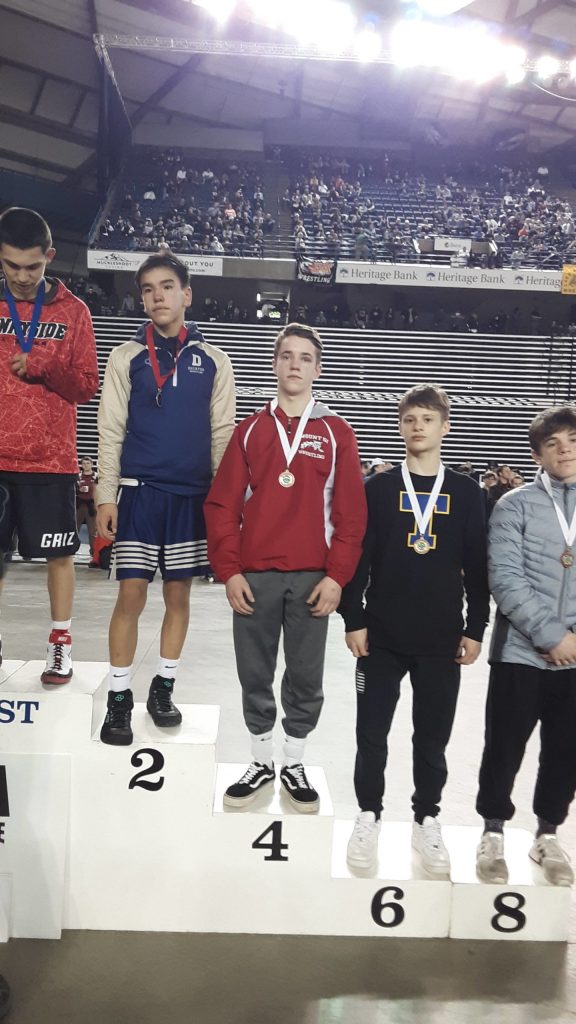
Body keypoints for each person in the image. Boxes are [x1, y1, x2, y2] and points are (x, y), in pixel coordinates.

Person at [205, 323, 367, 811]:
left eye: (305, 358)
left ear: (317, 369)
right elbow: (221, 506)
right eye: (287, 356)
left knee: (305, 675)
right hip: (253, 578)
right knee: (254, 672)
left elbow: (351, 514)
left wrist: (337, 576)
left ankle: (294, 759)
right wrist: (230, 570)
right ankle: (259, 759)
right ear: (275, 364)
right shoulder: (250, 430)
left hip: (312, 579)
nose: (295, 365)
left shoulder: (336, 432)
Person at [340, 384, 489, 870]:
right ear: (400, 426)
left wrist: (476, 628)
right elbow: (359, 558)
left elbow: (478, 566)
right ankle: (368, 816)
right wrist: (353, 618)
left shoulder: (466, 493)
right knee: (371, 733)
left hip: (441, 639)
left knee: (432, 737)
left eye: (427, 418)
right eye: (409, 419)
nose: (418, 426)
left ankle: (427, 819)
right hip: (381, 635)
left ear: (445, 426)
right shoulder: (380, 489)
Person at [96, 252, 235, 745]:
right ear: (142, 297)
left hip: (192, 499)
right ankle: (118, 698)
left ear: (187, 294)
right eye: (149, 288)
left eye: (168, 286)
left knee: (179, 596)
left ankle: (163, 686)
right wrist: (104, 495)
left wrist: (222, 507)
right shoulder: (125, 356)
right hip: (138, 495)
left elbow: (222, 436)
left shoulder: (215, 361)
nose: (158, 295)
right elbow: (110, 430)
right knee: (130, 595)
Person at [476, 406, 576, 887]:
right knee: (504, 746)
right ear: (537, 454)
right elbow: (506, 578)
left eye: (572, 440)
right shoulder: (513, 504)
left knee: (566, 751)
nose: (565, 450)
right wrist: (551, 635)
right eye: (553, 443)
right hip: (519, 652)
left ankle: (547, 833)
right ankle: (493, 830)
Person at [0, 206, 99, 681]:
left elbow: (85, 387)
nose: (22, 277)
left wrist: (44, 364)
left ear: (50, 258)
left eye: (33, 267)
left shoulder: (73, 312)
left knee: (60, 555)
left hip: (51, 457)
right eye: (12, 265)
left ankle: (61, 643)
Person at [76, 456, 97, 556]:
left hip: (91, 506)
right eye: (84, 464)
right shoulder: (78, 476)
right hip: (80, 505)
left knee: (92, 531)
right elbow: (72, 489)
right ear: (81, 465)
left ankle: (93, 554)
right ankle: (71, 551)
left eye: (88, 463)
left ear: (92, 464)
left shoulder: (96, 476)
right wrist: (78, 490)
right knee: (75, 529)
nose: (86, 465)